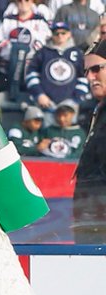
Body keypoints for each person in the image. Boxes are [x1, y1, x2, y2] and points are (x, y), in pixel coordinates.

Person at [72, 40, 106, 242]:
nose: (90, 77)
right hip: (91, 220)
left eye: (96, 69)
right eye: (86, 71)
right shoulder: (98, 110)